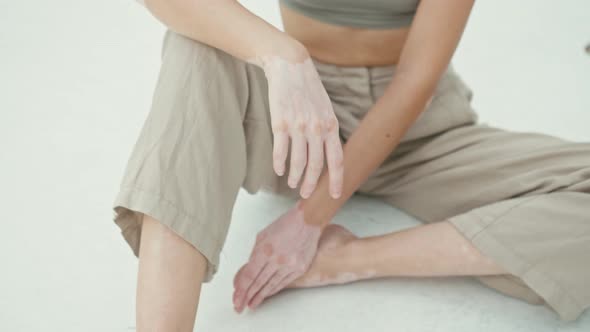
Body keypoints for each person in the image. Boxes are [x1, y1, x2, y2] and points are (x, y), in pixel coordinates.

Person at [111, 0, 590, 330]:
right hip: (300, 120)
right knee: (194, 45)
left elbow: (414, 83)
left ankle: (349, 260)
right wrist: (281, 55)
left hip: (416, 133)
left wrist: (309, 220)